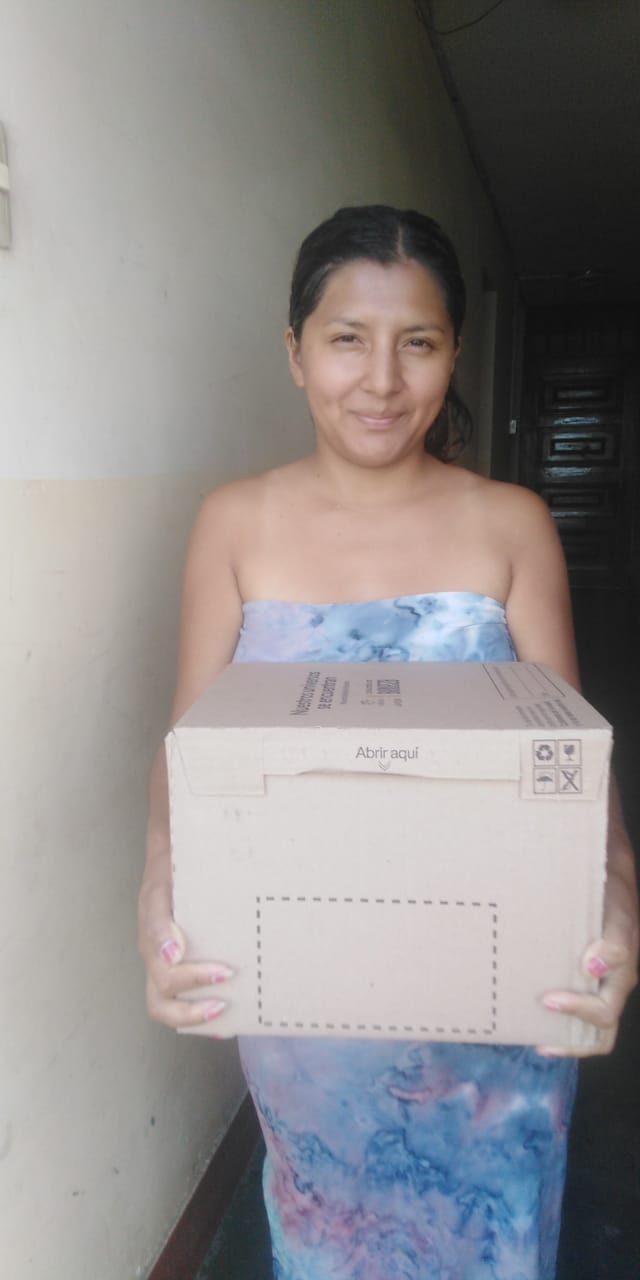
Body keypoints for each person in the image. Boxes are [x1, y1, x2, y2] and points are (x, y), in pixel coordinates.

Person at [138, 206, 638, 1279]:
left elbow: (567, 764)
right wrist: (158, 898)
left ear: (453, 354)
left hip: (495, 1002)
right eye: (346, 339)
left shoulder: (511, 523)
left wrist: (619, 905)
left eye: (417, 341)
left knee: (494, 1243)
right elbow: (190, 749)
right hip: (312, 1010)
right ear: (295, 351)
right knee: (331, 1244)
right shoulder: (235, 522)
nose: (381, 380)